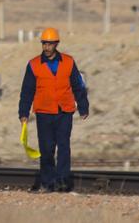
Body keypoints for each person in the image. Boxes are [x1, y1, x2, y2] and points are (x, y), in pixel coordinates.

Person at [18, 27, 89, 193]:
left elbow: (78, 85)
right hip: (44, 112)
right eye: (44, 43)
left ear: (56, 44)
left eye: (50, 44)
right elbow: (27, 91)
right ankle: (47, 183)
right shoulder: (34, 65)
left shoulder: (69, 62)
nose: (46, 47)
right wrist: (23, 112)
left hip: (65, 111)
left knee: (64, 146)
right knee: (46, 149)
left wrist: (83, 106)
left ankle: (63, 182)